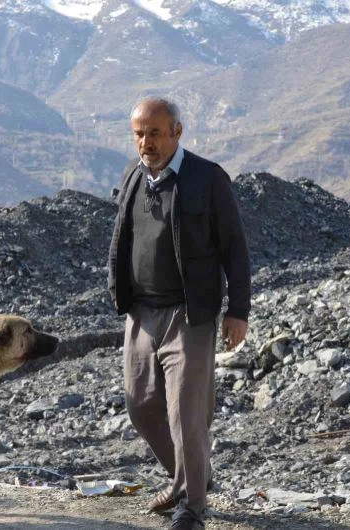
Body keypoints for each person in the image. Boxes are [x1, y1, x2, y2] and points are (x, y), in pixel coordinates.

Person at [107, 97, 251, 530]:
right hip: (141, 313)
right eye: (138, 134)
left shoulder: (207, 178)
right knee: (140, 405)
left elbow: (235, 248)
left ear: (177, 132)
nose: (145, 142)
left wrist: (238, 310)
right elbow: (124, 238)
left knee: (186, 413)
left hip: (190, 315)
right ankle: (188, 476)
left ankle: (192, 506)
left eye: (154, 132)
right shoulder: (134, 176)